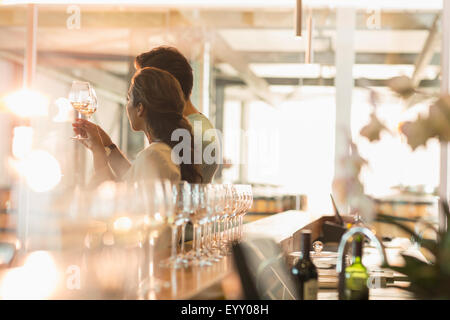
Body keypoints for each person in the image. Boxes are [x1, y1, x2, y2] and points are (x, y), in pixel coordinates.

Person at [72, 67, 202, 185]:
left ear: (140, 108)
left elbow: (119, 201)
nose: (127, 105)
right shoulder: (164, 150)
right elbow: (134, 179)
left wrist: (98, 152)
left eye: (129, 99)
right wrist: (108, 146)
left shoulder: (154, 155)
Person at [134, 46, 220, 183]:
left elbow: (157, 187)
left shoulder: (188, 133)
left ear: (166, 84)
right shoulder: (196, 125)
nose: (137, 95)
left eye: (144, 84)